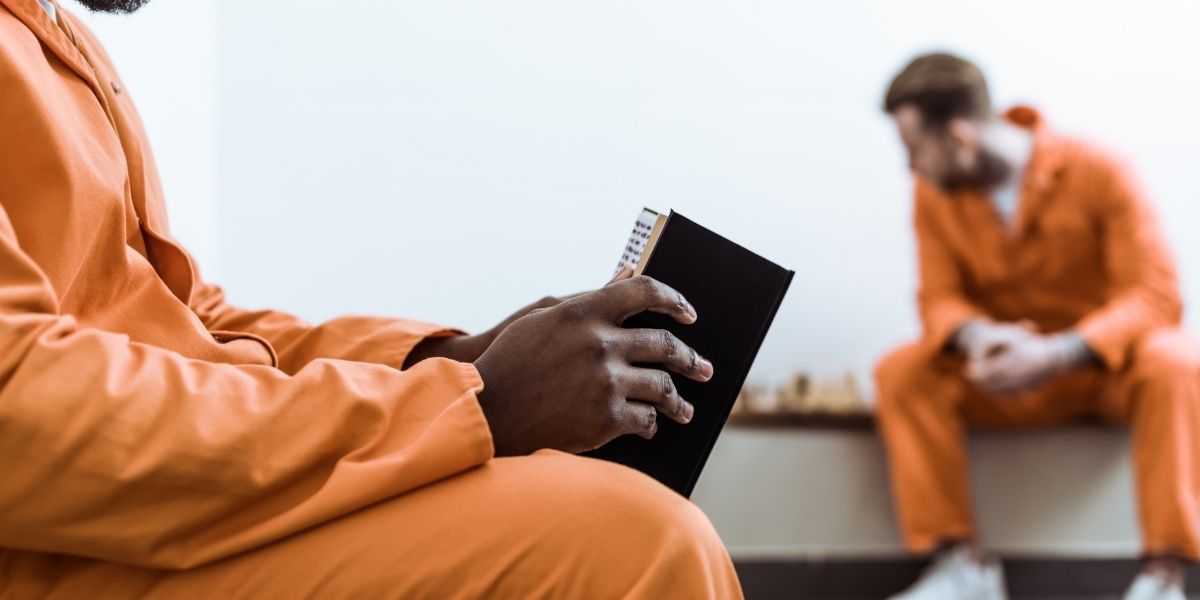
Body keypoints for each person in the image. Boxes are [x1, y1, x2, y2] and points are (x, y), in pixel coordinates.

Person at [0, 0, 743, 597]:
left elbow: (192, 322)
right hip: (64, 552)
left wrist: (442, 359)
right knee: (634, 542)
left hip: (164, 509)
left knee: (614, 512)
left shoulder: (56, 40)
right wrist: (471, 405)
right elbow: (18, 409)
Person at [875, 52, 1198, 600]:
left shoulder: (1100, 169)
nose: (911, 169)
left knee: (1177, 360)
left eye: (914, 151)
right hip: (1003, 379)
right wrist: (980, 338)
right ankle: (962, 570)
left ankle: (1165, 578)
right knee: (902, 371)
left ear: (958, 137)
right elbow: (938, 300)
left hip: (1105, 374)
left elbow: (1156, 295)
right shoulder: (933, 197)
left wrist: (1057, 353)